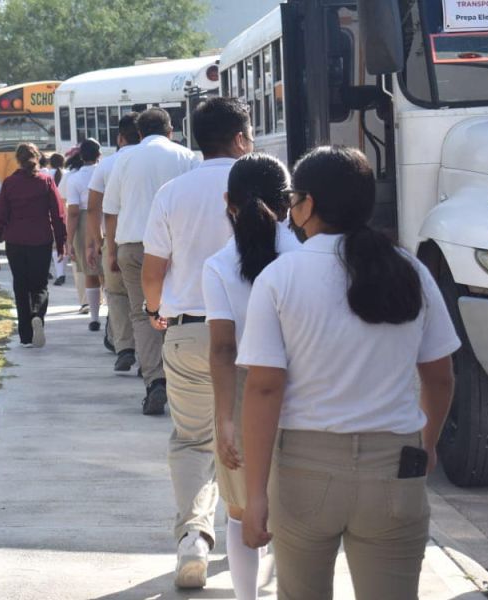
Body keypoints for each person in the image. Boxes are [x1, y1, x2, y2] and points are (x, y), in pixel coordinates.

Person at [238, 146, 460, 600]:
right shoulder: (409, 270)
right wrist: (428, 443)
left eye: (293, 196)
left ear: (308, 204)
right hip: (396, 468)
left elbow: (263, 390)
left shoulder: (280, 278)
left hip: (304, 470)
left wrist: (255, 493)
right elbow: (439, 377)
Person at [140, 97, 253, 589]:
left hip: (188, 329)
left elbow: (153, 270)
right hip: (255, 333)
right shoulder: (267, 181)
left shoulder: (172, 192)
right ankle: (250, 533)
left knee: (192, 441)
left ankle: (193, 535)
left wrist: (154, 311)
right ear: (242, 138)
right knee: (255, 436)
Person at [201, 153, 301, 600]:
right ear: (290, 202)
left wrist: (225, 419)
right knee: (297, 512)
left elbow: (222, 348)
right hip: (304, 386)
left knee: (241, 511)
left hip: (244, 392)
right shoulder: (304, 255)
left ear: (228, 201)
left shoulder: (218, 265)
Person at [103, 108, 199, 415]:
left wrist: (110, 250)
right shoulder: (187, 157)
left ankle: (155, 381)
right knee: (177, 310)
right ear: (171, 131)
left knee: (142, 313)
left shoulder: (124, 159)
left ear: (139, 133)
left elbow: (112, 209)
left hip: (132, 246)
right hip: (176, 245)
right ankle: (179, 380)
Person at [0, 143, 67, 348]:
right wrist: (61, 242)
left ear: (18, 160)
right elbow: (58, 215)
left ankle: (25, 335)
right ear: (38, 158)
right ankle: (37, 314)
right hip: (41, 239)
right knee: (39, 285)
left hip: (15, 241)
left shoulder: (10, 183)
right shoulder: (46, 181)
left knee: (21, 286)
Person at [87, 113, 141, 373]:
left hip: (117, 239)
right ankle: (150, 354)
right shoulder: (156, 158)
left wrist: (97, 242)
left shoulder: (107, 165)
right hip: (155, 240)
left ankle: (125, 347)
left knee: (118, 295)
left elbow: (93, 207)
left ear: (120, 137)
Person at [64, 139, 102, 331]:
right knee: (109, 274)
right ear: (99, 155)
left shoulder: (74, 178)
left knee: (90, 272)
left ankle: (94, 318)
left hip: (84, 221)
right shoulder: (106, 172)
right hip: (107, 217)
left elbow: (72, 212)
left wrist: (69, 240)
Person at [47, 153, 69, 286]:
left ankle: (53, 272)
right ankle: (61, 273)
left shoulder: (46, 174)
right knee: (64, 242)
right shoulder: (67, 173)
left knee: (52, 244)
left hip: (50, 211)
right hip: (66, 210)